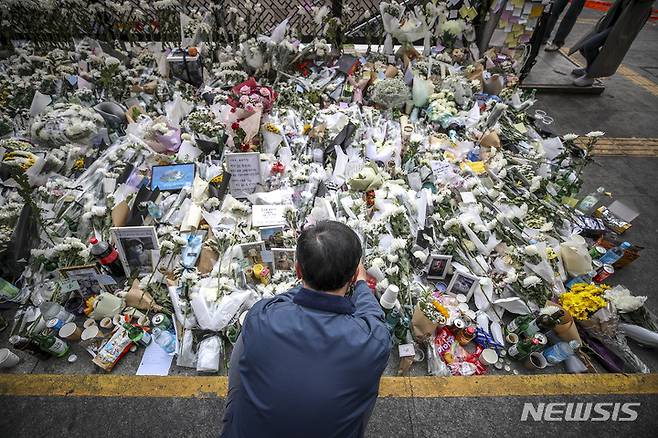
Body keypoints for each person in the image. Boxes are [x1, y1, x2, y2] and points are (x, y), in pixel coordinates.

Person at [220, 221, 391, 438]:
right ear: (351, 278)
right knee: (365, 388)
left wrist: (310, 278)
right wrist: (362, 284)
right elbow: (372, 316)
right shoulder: (371, 341)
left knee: (245, 348)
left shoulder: (262, 315)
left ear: (298, 269)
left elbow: (282, 299)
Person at [568, 0, 653, 86]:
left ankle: (590, 76)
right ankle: (589, 69)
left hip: (626, 23)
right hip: (615, 16)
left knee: (589, 46)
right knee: (583, 46)